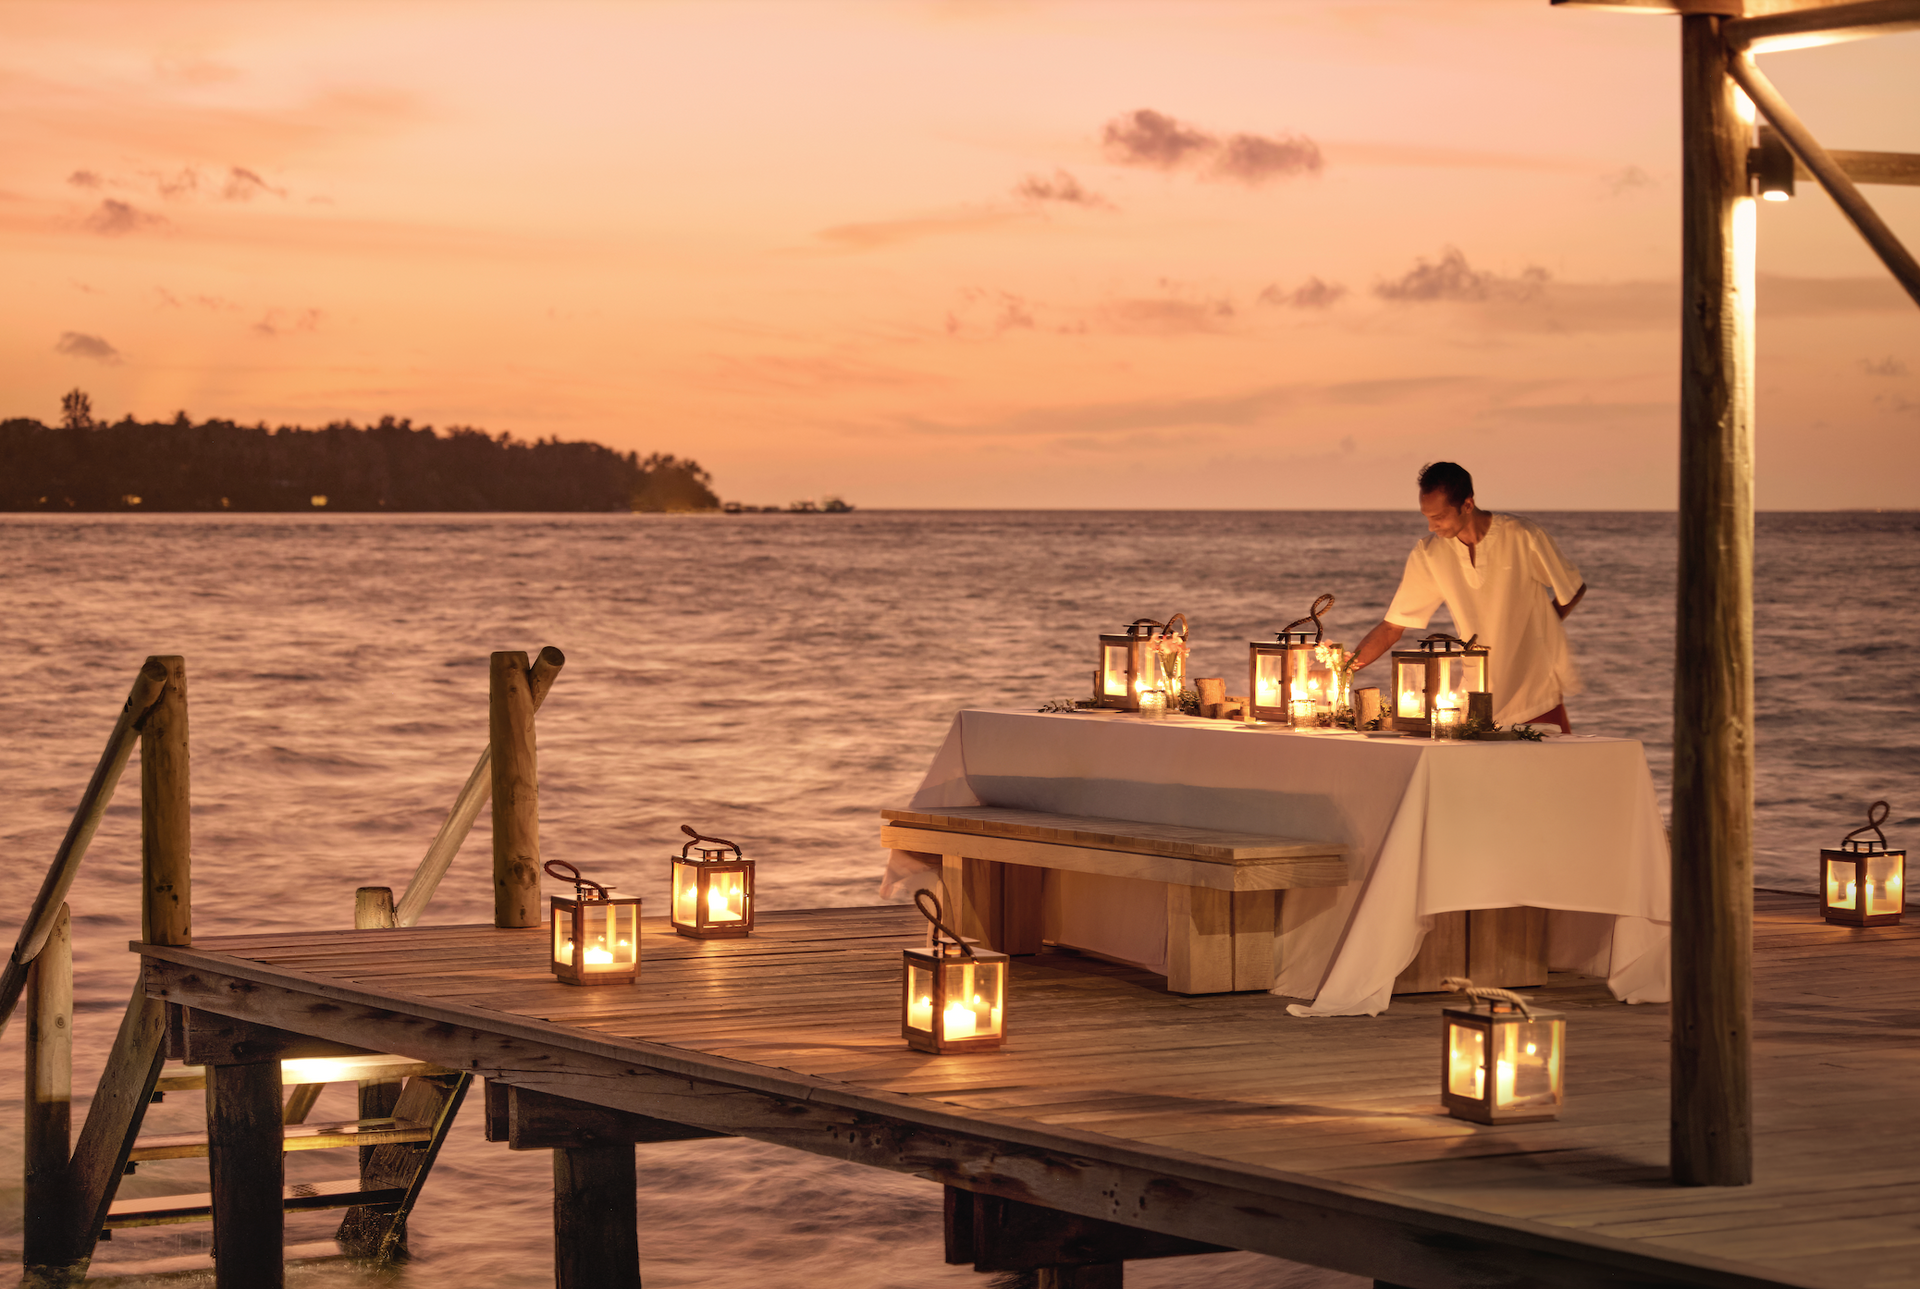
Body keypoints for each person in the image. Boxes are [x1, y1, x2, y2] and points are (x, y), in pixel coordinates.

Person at [1352, 462, 1586, 732]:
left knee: (1557, 773)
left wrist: (1542, 627)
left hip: (1535, 693)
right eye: (1427, 516)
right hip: (1477, 697)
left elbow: (1572, 588)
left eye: (1439, 516)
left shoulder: (1522, 536)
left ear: (1467, 504)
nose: (1431, 525)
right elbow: (1393, 626)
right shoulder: (1430, 553)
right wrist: (1345, 668)